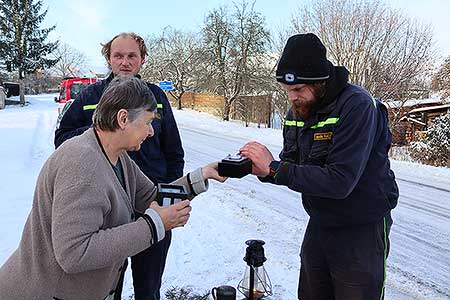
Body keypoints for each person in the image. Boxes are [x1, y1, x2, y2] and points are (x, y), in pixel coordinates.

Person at [0, 76, 226, 300]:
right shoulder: (81, 165)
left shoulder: (117, 157)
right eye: (148, 123)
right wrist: (154, 225)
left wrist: (203, 174)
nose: (151, 132)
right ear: (123, 119)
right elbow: (73, 253)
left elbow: (153, 197)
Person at [239, 33, 399, 300]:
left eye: (299, 90)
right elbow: (290, 164)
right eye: (287, 90)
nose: (292, 98)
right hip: (321, 220)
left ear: (321, 82)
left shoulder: (357, 106)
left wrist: (276, 169)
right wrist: (261, 168)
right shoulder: (297, 111)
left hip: (361, 226)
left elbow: (340, 181)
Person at [54, 32, 184, 300]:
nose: (125, 62)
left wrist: (167, 197)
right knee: (108, 287)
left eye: (131, 56)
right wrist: (104, 129)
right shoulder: (91, 96)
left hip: (151, 204)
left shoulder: (156, 97)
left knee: (148, 289)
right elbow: (62, 139)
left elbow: (174, 152)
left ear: (142, 60)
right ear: (109, 59)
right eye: (118, 56)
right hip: (108, 212)